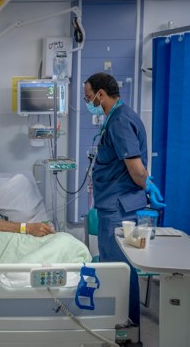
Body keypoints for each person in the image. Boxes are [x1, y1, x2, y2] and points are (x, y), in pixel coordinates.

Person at [84, 72, 165, 329]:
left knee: (118, 270)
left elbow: (136, 168)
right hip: (116, 202)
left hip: (119, 207)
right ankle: (121, 322)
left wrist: (147, 183)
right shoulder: (115, 118)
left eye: (88, 97)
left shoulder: (119, 121)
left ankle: (125, 327)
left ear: (101, 94)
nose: (88, 102)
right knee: (117, 268)